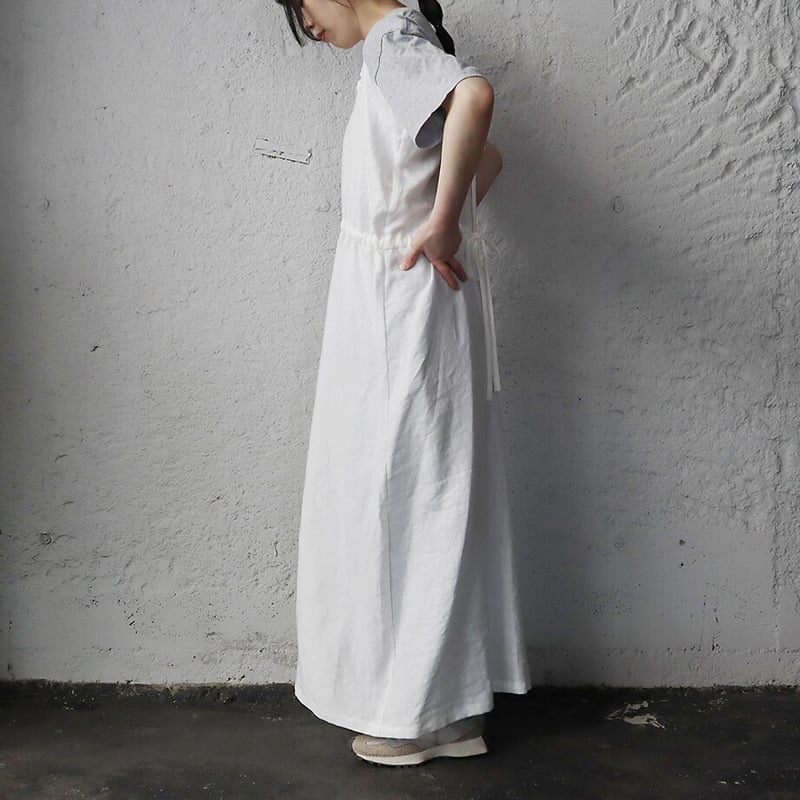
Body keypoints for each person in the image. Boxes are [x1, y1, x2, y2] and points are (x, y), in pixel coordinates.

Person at [273, 0, 532, 766]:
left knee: (396, 500)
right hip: (410, 301)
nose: (305, 22)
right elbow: (488, 158)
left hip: (400, 307)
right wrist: (439, 215)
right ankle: (448, 711)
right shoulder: (398, 44)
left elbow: (476, 99)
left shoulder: (393, 39)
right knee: (431, 492)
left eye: (300, 3)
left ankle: (408, 714)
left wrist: (441, 223)